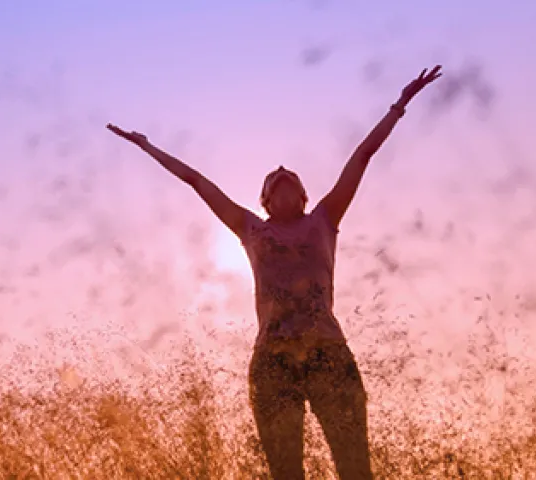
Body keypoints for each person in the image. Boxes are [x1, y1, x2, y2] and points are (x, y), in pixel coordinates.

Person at [106, 66, 443, 480]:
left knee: (356, 470)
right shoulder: (250, 229)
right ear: (265, 200)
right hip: (273, 361)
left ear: (304, 195)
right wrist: (146, 146)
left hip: (328, 354)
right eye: (274, 181)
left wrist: (401, 103)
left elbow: (362, 155)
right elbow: (196, 180)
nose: (282, 177)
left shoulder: (324, 219)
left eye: (291, 180)